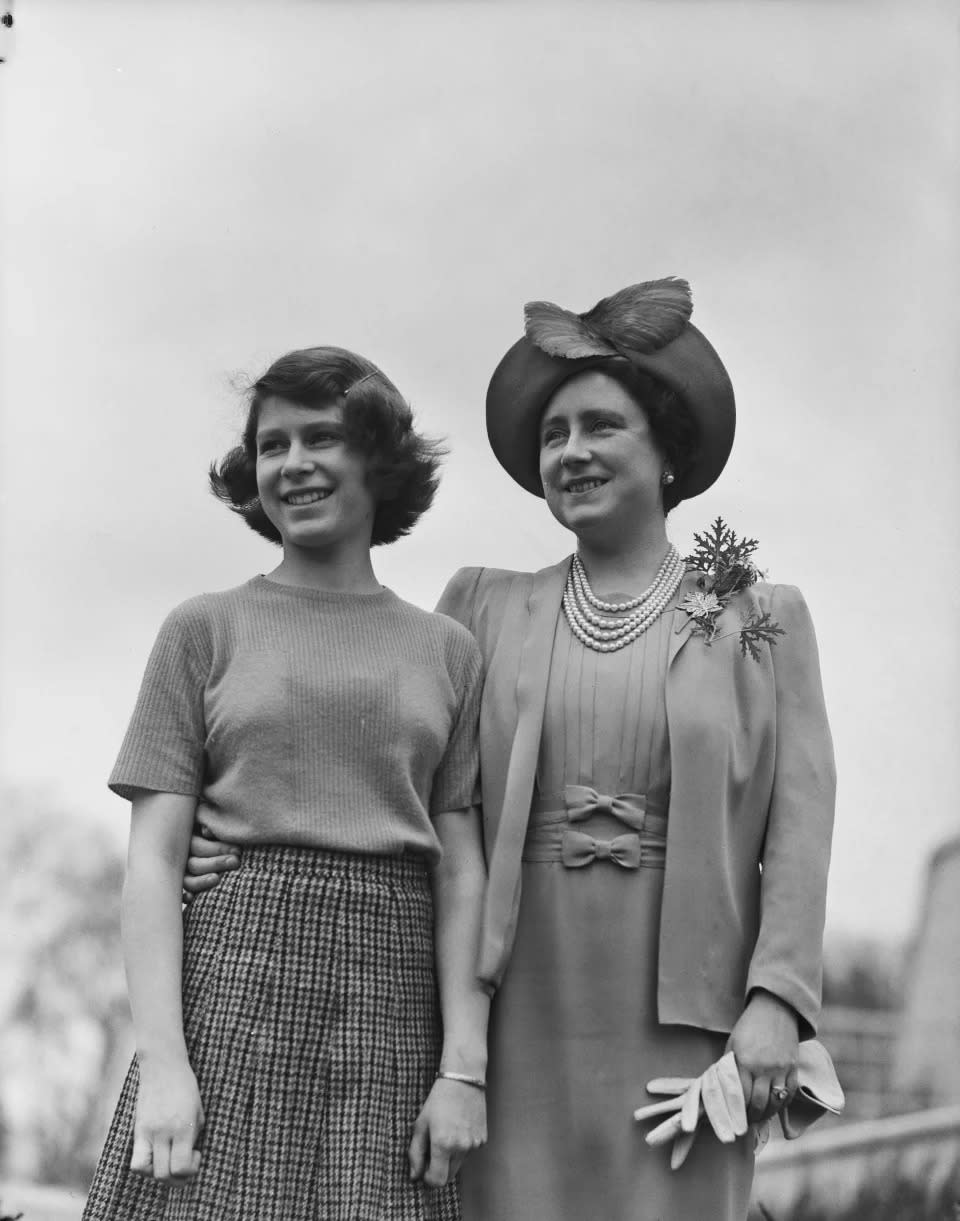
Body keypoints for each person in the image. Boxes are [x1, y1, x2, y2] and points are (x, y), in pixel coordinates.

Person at [186, 281, 836, 1221]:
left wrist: (779, 997)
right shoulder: (481, 609)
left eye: (601, 425)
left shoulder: (760, 617)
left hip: (689, 1011)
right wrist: (231, 844)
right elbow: (395, 773)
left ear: (667, 453)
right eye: (554, 434)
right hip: (507, 1002)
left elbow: (802, 820)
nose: (572, 451)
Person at [84, 346, 489, 1221]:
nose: (294, 464)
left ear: (378, 459)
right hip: (233, 991)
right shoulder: (203, 629)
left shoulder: (449, 652)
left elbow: (462, 873)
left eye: (323, 438)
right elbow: (153, 862)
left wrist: (462, 1066)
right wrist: (164, 1063)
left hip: (392, 1008)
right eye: (272, 445)